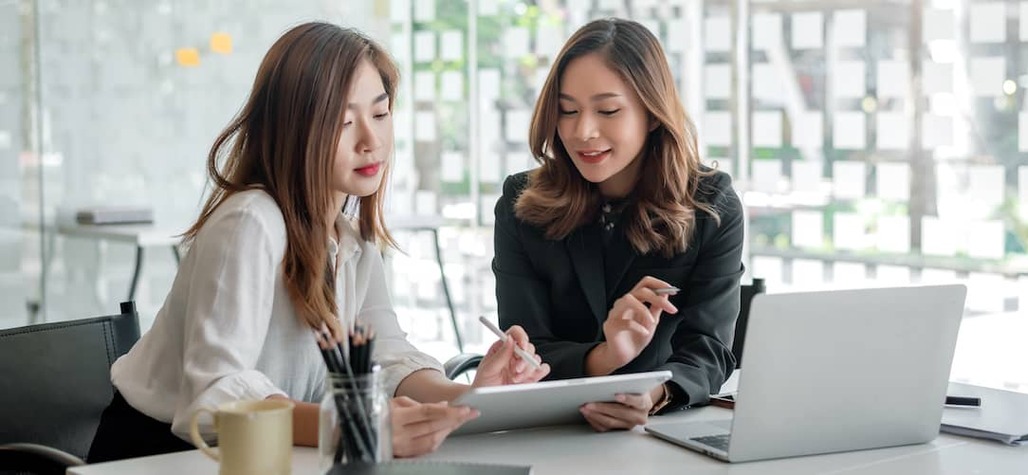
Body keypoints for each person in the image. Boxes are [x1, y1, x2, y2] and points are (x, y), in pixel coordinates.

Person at [87, 22, 549, 463]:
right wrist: (355, 426)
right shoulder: (250, 222)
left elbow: (386, 354)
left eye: (381, 113)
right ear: (294, 128)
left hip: (274, 453)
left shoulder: (348, 233)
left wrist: (467, 399)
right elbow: (216, 397)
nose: (372, 140)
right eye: (343, 122)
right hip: (160, 457)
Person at [493, 18, 744, 431]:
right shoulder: (520, 203)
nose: (583, 131)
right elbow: (527, 344)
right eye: (567, 110)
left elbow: (710, 349)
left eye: (608, 110)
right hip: (548, 430)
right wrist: (607, 358)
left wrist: (653, 395)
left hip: (659, 432)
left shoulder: (710, 206)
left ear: (652, 113)